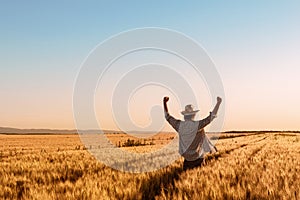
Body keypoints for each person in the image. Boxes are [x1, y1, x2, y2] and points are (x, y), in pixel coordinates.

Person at [163, 96, 222, 170]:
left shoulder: (179, 126)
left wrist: (164, 103)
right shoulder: (198, 125)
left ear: (184, 116)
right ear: (193, 115)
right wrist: (218, 103)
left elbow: (167, 117)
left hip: (187, 161)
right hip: (198, 159)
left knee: (185, 179)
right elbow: (211, 117)